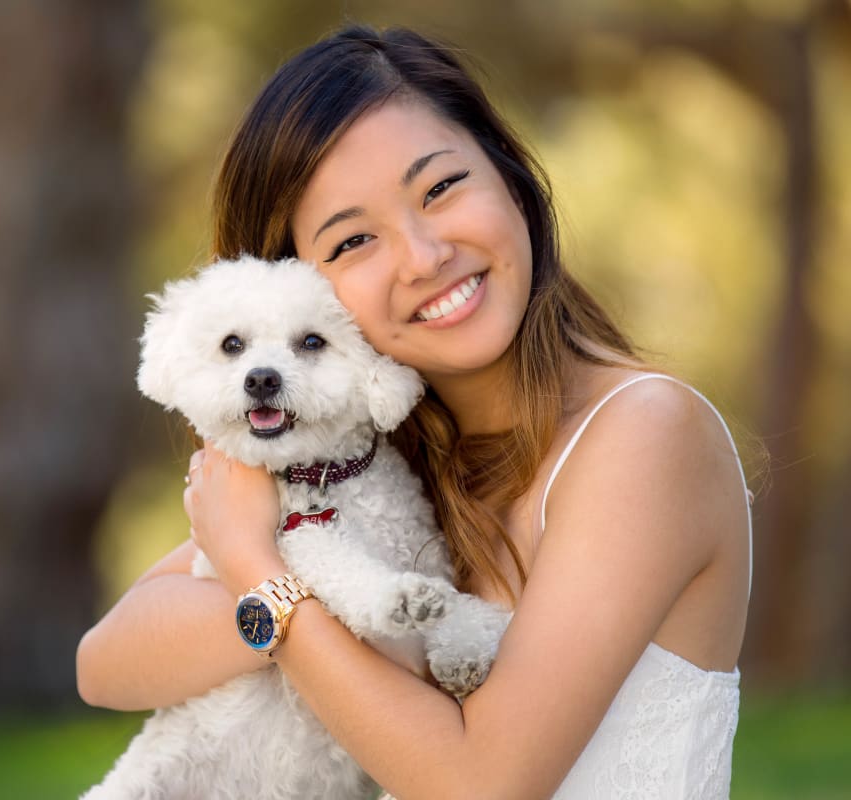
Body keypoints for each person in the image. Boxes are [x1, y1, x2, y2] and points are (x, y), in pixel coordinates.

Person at [77, 24, 753, 799]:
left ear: (512, 179)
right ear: (304, 296)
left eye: (439, 189)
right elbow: (106, 664)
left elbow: (482, 785)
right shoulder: (390, 466)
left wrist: (262, 573)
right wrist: (283, 590)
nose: (424, 256)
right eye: (355, 240)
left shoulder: (644, 434)